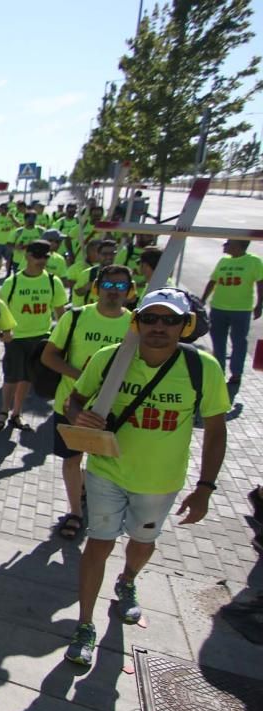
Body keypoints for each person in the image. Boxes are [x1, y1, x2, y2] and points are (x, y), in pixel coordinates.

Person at [62, 289, 229, 666]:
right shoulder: (109, 359)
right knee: (98, 544)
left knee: (142, 541)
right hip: (106, 471)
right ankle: (85, 624)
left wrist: (205, 488)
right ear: (136, 322)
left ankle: (128, 580)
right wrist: (78, 416)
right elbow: (75, 398)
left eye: (170, 320)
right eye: (150, 318)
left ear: (185, 325)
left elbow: (217, 429)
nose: (159, 327)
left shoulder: (203, 368)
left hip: (160, 481)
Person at [40, 266, 133, 540]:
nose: (113, 292)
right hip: (71, 406)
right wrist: (85, 378)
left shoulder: (136, 325)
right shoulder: (76, 317)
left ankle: (96, 501)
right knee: (71, 461)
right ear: (96, 287)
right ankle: (76, 512)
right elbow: (49, 356)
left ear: (129, 291)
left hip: (115, 412)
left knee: (104, 465)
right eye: (108, 285)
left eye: (119, 287)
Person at [0, 240, 67, 431]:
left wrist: (64, 339)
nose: (41, 260)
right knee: (11, 377)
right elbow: (0, 310)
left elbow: (61, 314)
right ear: (27, 256)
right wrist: (3, 332)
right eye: (37, 256)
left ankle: (16, 414)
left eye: (45, 256)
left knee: (26, 378)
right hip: (16, 338)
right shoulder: (13, 282)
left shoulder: (53, 281)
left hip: (41, 338)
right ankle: (3, 411)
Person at [201, 239, 263, 385]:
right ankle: (218, 370)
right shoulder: (223, 261)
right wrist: (203, 299)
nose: (224, 245)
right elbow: (213, 280)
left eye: (228, 243)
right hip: (218, 308)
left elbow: (261, 284)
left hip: (241, 310)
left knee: (239, 342)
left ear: (238, 246)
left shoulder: (254, 261)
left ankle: (236, 373)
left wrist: (259, 304)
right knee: (218, 341)